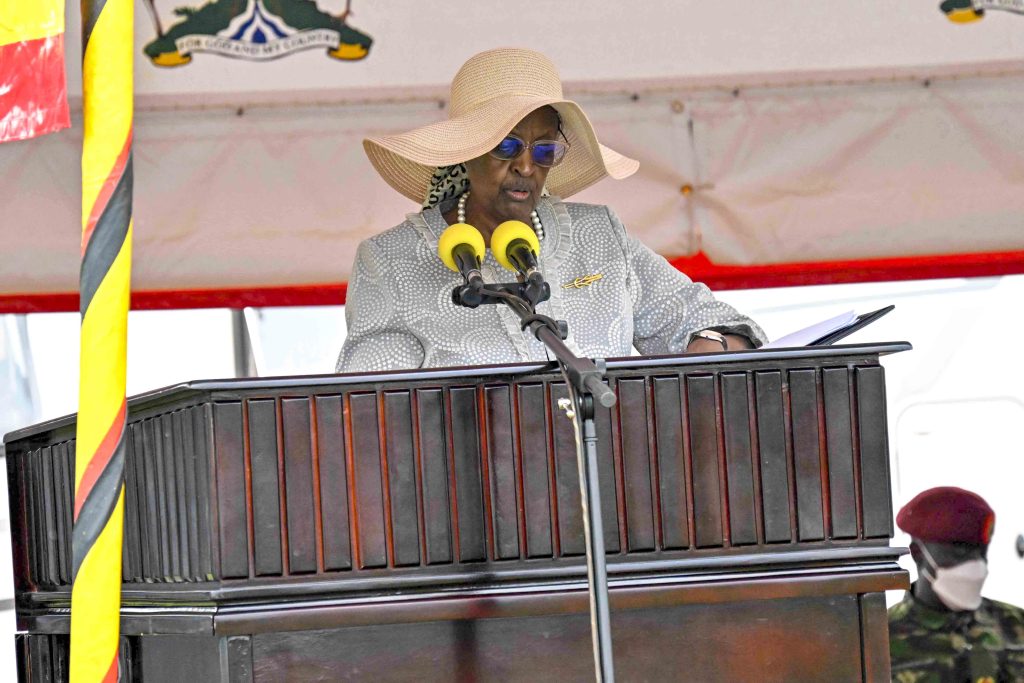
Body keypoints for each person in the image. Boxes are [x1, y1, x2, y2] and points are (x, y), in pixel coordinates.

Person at [336, 48, 766, 373]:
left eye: (544, 150)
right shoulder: (390, 260)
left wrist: (708, 348)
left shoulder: (599, 235)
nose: (525, 165)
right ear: (465, 153)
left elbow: (710, 319)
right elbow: (372, 403)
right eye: (505, 145)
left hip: (610, 477)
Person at [889, 486, 1024, 682]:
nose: (975, 563)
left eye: (981, 551)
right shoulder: (880, 641)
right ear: (918, 553)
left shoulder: (1016, 624)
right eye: (960, 551)